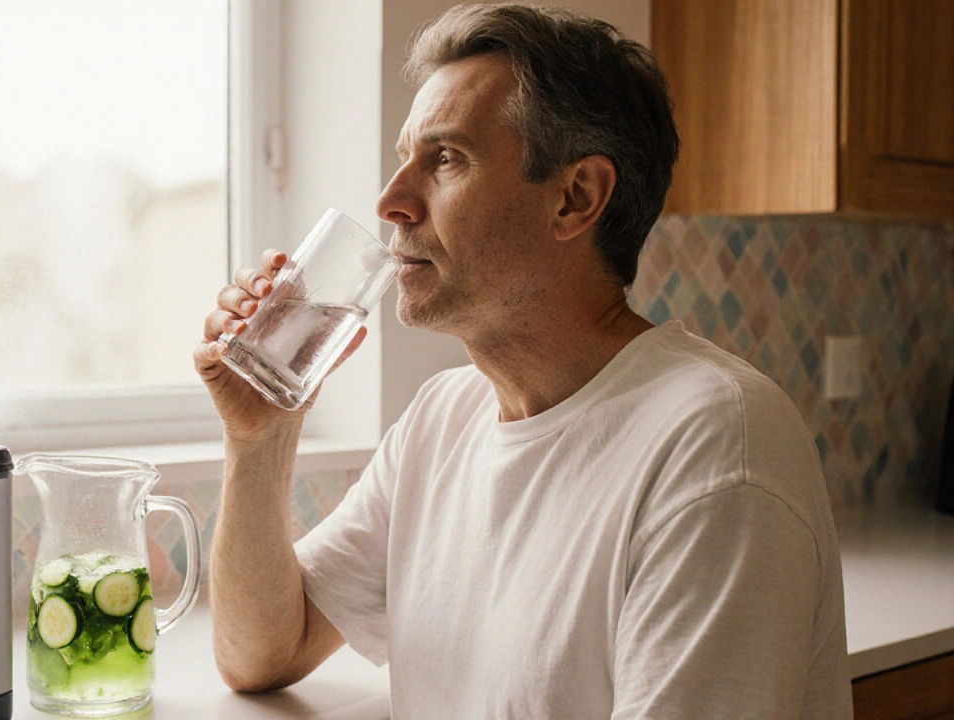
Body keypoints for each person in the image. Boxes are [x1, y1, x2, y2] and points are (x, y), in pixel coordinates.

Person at [192, 3, 852, 718]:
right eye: (402, 159)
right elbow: (261, 649)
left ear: (576, 197)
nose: (391, 202)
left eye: (444, 159)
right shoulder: (442, 422)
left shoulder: (718, 448)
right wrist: (258, 436)